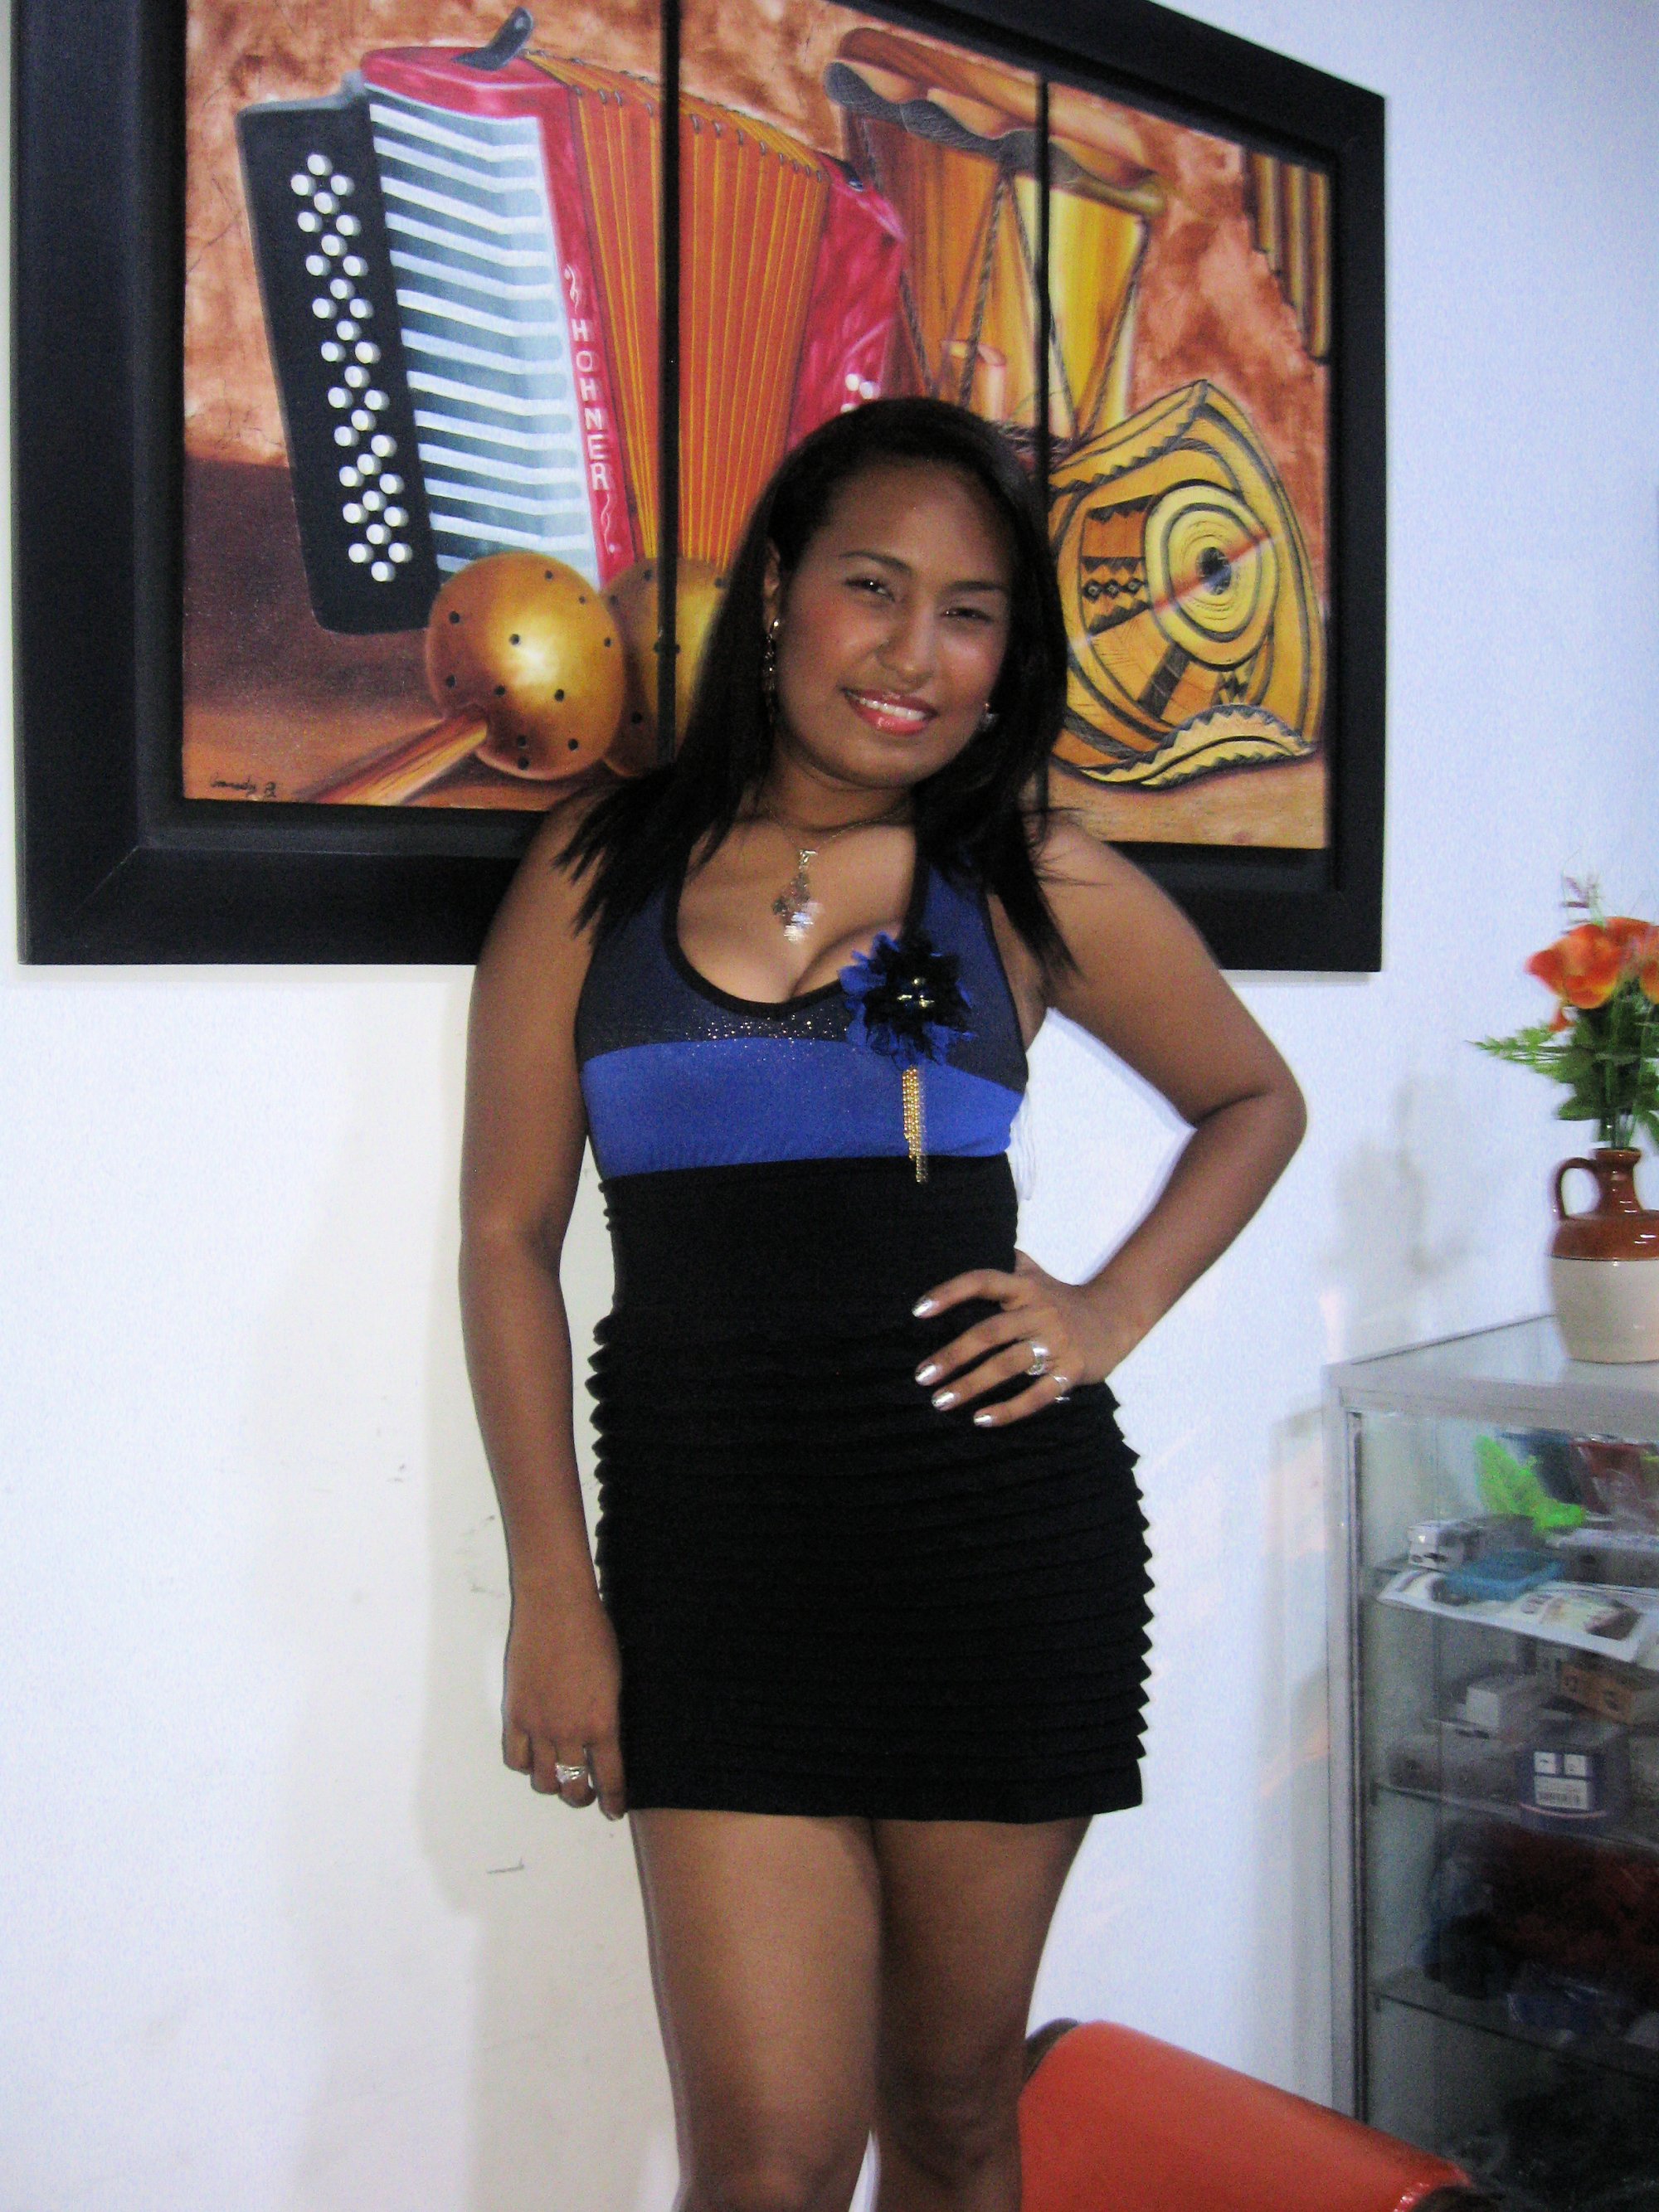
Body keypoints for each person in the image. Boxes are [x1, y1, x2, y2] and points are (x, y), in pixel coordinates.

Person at [459, 396, 1306, 2212]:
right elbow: (506, 1238)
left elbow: (1255, 1099)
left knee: (953, 2117)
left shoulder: (1028, 883)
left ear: (1008, 659)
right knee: (764, 2168)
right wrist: (554, 1590)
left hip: (994, 1564)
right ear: (780, 591)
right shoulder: (596, 869)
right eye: (874, 586)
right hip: (712, 1578)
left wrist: (1109, 1308)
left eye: (969, 612)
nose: (915, 651)